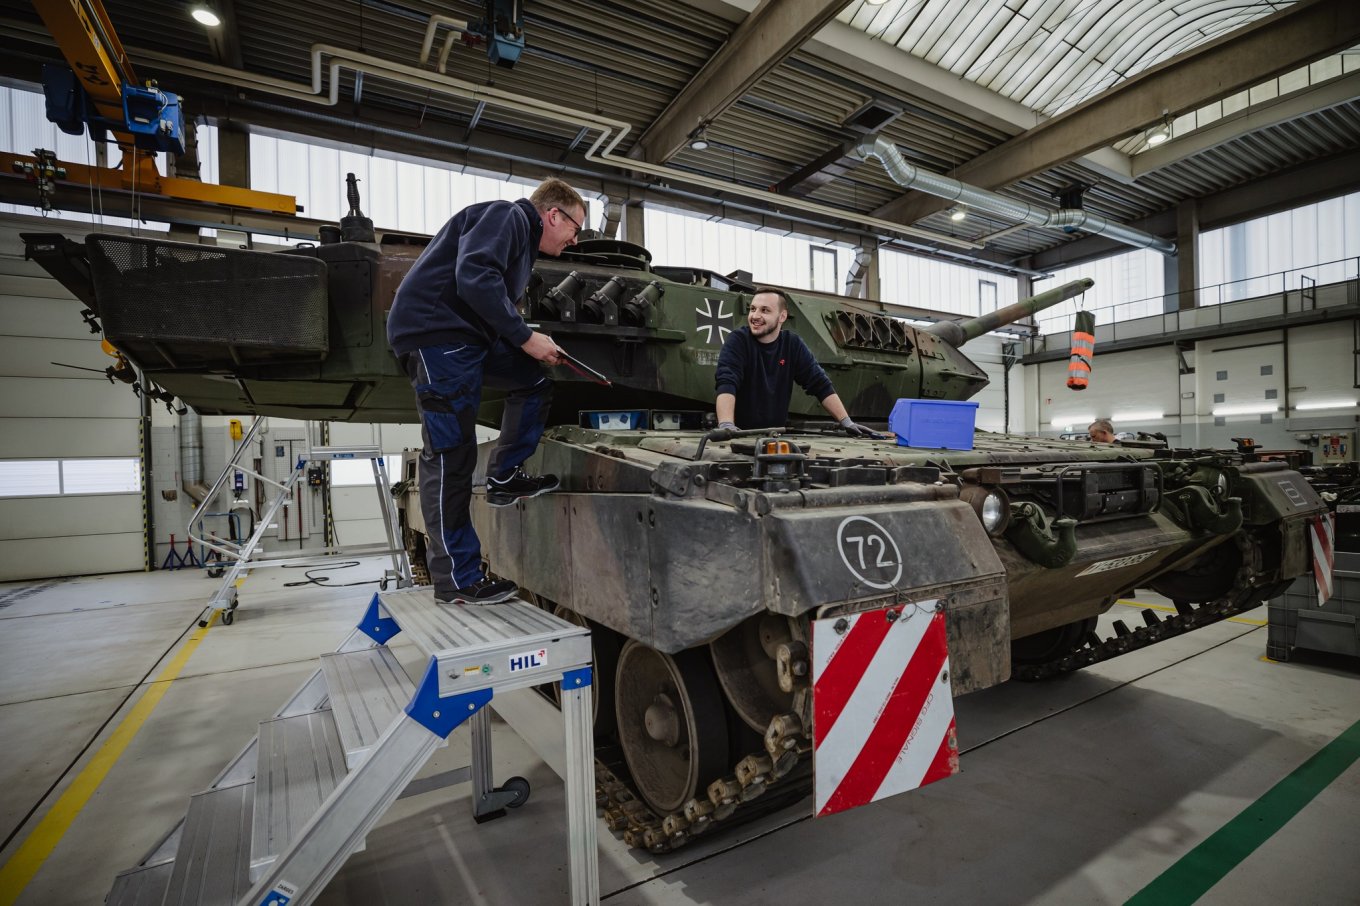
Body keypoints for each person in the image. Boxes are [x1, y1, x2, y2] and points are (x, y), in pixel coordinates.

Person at [387, 177, 584, 605]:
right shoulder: (509, 215)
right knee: (451, 457)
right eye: (575, 228)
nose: (574, 239)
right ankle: (457, 579)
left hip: (467, 339)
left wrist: (528, 341)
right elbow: (474, 275)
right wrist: (524, 336)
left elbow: (487, 292)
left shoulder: (521, 239)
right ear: (553, 214)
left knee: (532, 379)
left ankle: (504, 476)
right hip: (436, 336)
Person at [713, 287, 877, 437]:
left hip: (774, 436)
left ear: (782, 316)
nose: (755, 316)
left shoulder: (792, 344)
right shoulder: (738, 340)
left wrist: (846, 421)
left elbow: (820, 384)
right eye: (753, 309)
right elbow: (727, 381)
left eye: (765, 310)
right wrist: (727, 425)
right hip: (739, 434)